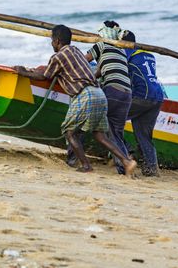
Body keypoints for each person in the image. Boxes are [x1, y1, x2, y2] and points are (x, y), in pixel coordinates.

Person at [14, 25, 137, 176]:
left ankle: (86, 166)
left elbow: (45, 76)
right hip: (100, 93)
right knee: (100, 135)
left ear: (57, 41)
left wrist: (24, 72)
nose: (52, 44)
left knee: (69, 131)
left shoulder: (58, 57)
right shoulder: (77, 52)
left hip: (86, 95)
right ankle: (127, 161)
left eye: (52, 41)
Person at [83, 20, 132, 174]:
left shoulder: (101, 45)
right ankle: (127, 166)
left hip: (112, 91)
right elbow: (99, 71)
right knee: (117, 132)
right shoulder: (121, 50)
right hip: (127, 94)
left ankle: (124, 165)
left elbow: (83, 62)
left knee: (105, 131)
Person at [122, 30, 164, 177]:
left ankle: (127, 153)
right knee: (143, 135)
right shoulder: (149, 54)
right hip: (158, 96)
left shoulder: (127, 53)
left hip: (142, 96)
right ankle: (151, 169)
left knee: (111, 119)